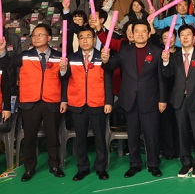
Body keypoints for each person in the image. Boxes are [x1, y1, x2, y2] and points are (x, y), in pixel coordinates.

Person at [101, 20, 167, 178]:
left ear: (149, 33)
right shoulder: (125, 51)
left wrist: (162, 99)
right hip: (129, 100)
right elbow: (110, 67)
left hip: (150, 100)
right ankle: (135, 164)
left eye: (143, 31)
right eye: (136, 31)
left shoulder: (157, 51)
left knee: (151, 135)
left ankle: (153, 164)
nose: (140, 34)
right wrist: (105, 60)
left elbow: (161, 78)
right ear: (132, 34)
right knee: (133, 134)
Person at [1, 24, 67, 181]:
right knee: (29, 138)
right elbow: (5, 65)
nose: (36, 38)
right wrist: (2, 51)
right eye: (34, 35)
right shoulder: (25, 55)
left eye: (40, 35)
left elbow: (65, 80)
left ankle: (54, 165)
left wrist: (64, 97)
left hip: (52, 101)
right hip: (29, 103)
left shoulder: (60, 57)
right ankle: (29, 168)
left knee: (53, 136)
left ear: (49, 38)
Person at [161, 25, 195, 178]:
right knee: (182, 134)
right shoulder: (174, 56)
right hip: (179, 101)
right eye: (182, 35)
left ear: (193, 37)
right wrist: (165, 62)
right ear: (178, 38)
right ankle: (186, 163)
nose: (185, 37)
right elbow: (168, 74)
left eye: (188, 34)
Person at [62, 26, 112, 181]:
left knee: (99, 137)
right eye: (81, 37)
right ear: (78, 40)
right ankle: (82, 168)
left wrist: (108, 101)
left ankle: (101, 168)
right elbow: (64, 80)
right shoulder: (71, 58)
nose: (85, 40)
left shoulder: (102, 57)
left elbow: (108, 81)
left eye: (88, 37)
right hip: (77, 103)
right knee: (80, 138)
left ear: (94, 39)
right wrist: (62, 71)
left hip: (97, 102)